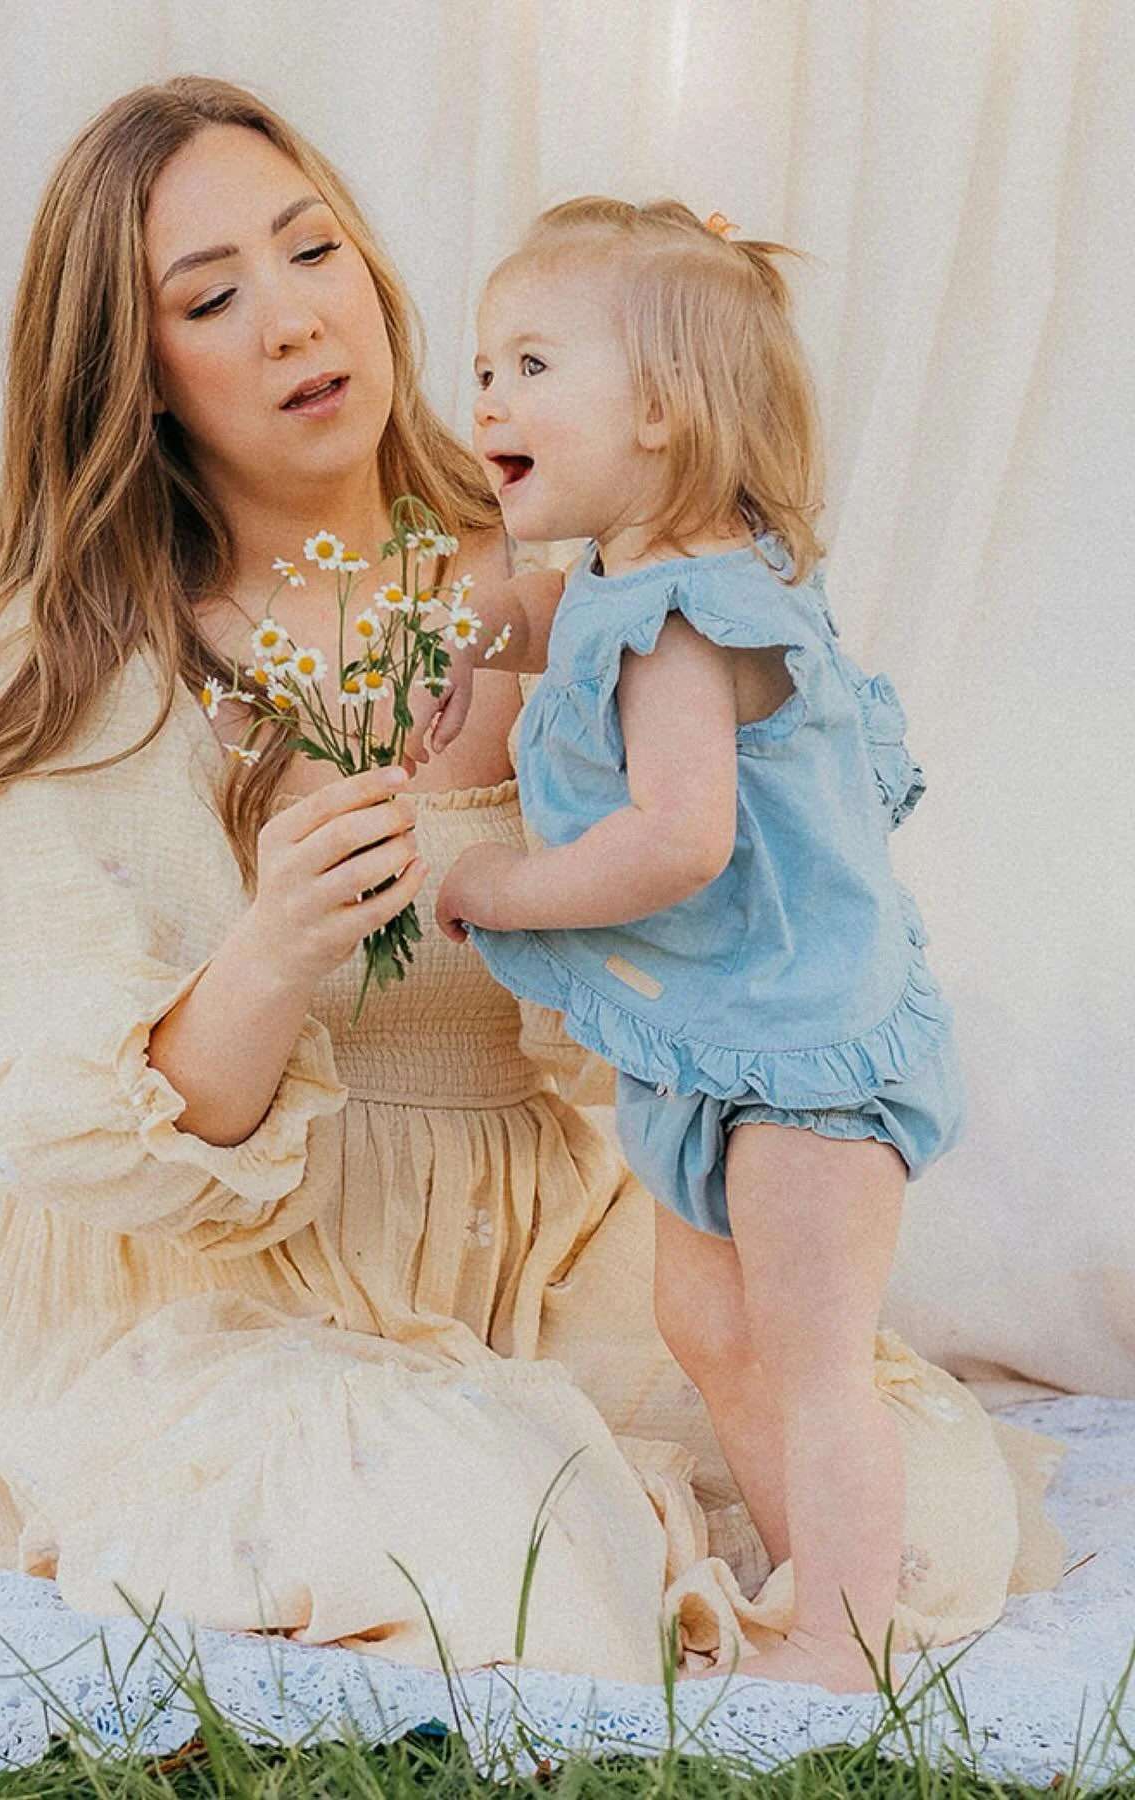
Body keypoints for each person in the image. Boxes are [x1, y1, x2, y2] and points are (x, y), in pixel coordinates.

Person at [0, 81, 1062, 1693]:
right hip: (221, 1278)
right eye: (215, 295)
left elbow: (709, 902)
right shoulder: (76, 658)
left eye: (315, 250)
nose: (297, 316)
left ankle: (783, 1627)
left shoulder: (570, 567)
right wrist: (276, 948)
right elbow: (111, 1134)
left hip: (531, 1236)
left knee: (897, 1507)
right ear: (135, 375)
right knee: (496, 1527)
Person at [433, 196, 1003, 1689]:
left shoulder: (692, 622)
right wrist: (483, 629)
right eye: (485, 362)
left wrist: (499, 884)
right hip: (730, 1029)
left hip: (805, 1047)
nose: (487, 395)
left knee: (811, 1351)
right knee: (708, 1320)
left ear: (665, 417)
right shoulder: (638, 568)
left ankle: (846, 1636)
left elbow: (678, 837)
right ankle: (817, 1558)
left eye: (535, 364)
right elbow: (563, 615)